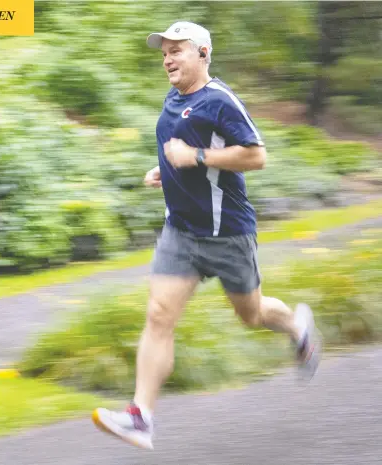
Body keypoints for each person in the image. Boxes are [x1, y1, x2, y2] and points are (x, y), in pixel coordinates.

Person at [92, 21, 321, 450]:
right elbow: (185, 148)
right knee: (159, 315)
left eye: (177, 50)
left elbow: (256, 156)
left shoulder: (221, 100)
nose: (167, 58)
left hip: (227, 234)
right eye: (164, 52)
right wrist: (168, 170)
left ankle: (296, 325)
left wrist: (195, 157)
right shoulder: (175, 97)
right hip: (181, 232)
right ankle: (140, 418)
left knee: (250, 314)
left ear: (203, 53)